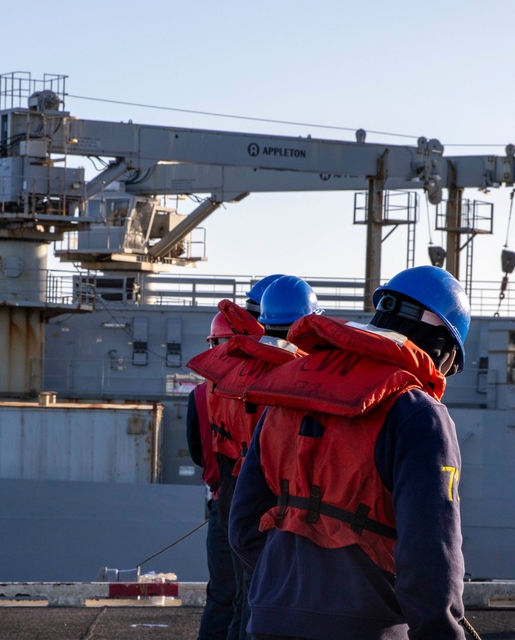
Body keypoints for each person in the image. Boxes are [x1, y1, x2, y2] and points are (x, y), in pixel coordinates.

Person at [229, 265, 471, 639]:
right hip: (366, 627)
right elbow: (430, 554)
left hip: (270, 620)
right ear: (441, 347)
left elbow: (243, 525)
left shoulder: (288, 392)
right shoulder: (418, 413)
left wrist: (288, 588)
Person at [190, 276, 323, 640]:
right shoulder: (299, 377)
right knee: (263, 602)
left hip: (231, 499)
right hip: (280, 505)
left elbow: (202, 452)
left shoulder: (216, 383)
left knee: (229, 598)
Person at [187, 302, 264, 640]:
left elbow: (197, 454)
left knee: (222, 597)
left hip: (222, 505)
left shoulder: (201, 395)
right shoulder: (269, 389)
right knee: (253, 599)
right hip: (263, 510)